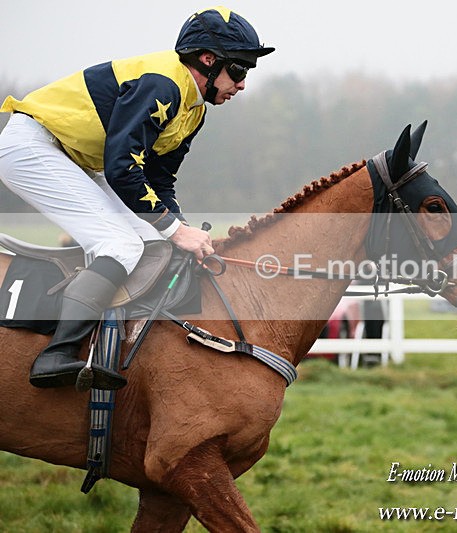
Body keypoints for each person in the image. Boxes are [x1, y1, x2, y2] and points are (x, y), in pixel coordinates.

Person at [0, 7, 274, 389]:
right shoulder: (162, 84)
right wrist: (176, 230)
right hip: (33, 146)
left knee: (153, 241)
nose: (242, 84)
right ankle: (56, 353)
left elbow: (158, 181)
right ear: (208, 60)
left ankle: (115, 347)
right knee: (120, 242)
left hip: (75, 157)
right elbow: (122, 169)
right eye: (239, 70)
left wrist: (179, 231)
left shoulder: (193, 110)